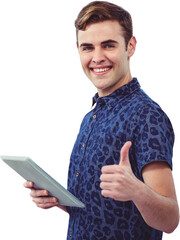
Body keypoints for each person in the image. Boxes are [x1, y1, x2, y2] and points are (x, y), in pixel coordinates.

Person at [24, 1, 179, 239]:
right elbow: (97, 211)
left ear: (130, 46)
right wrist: (56, 197)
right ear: (78, 49)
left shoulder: (147, 116)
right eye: (87, 47)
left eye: (108, 45)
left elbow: (170, 219)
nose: (97, 57)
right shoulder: (92, 116)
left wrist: (136, 190)